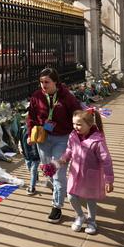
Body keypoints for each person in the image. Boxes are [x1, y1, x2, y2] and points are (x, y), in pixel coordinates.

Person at [26, 67, 82, 223]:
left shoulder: (67, 97)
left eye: (47, 82)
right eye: (41, 82)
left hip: (62, 139)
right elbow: (31, 116)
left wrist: (80, 134)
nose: (43, 85)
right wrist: (31, 133)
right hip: (43, 138)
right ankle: (60, 188)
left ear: (55, 82)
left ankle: (57, 206)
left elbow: (77, 115)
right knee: (47, 169)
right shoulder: (37, 96)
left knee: (57, 173)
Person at [57, 108, 114, 235]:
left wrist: (109, 180)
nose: (75, 127)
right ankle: (80, 215)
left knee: (90, 199)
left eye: (79, 124)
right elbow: (69, 150)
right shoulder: (73, 136)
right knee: (71, 195)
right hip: (75, 173)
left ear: (89, 124)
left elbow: (106, 160)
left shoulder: (97, 141)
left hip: (90, 176)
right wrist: (61, 160)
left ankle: (92, 220)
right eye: (73, 124)